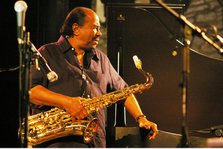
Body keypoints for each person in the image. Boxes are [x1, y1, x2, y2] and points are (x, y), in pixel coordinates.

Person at [29, 6, 158, 148]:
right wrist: (67, 102)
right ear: (76, 29)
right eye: (95, 28)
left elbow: (124, 92)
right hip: (58, 144)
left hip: (95, 143)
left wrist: (141, 118)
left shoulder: (101, 59)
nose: (99, 34)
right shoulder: (47, 53)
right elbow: (31, 92)